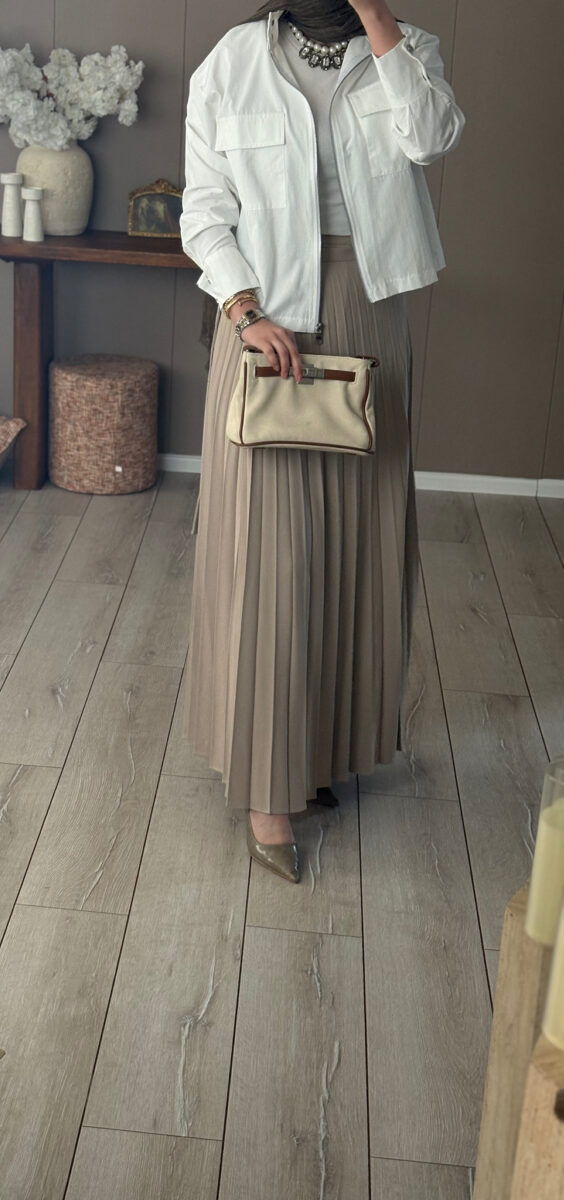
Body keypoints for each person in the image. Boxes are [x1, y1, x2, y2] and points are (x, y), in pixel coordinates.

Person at [179, 1, 465, 882]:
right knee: (267, 555)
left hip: (368, 308)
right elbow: (204, 209)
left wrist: (376, 16)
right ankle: (266, 788)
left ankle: (320, 756)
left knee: (355, 546)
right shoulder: (233, 59)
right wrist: (242, 308)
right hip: (264, 317)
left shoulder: (408, 49)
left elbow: (433, 138)